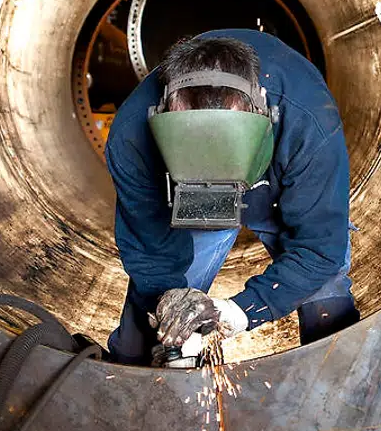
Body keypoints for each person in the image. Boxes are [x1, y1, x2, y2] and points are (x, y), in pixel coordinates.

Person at [104, 30, 359, 365]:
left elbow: (319, 247)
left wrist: (238, 312)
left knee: (326, 301)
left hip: (278, 186)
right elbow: (150, 251)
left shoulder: (308, 122)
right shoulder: (131, 137)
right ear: (161, 111)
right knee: (147, 334)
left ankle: (337, 386)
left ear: (263, 106)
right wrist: (168, 300)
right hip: (187, 204)